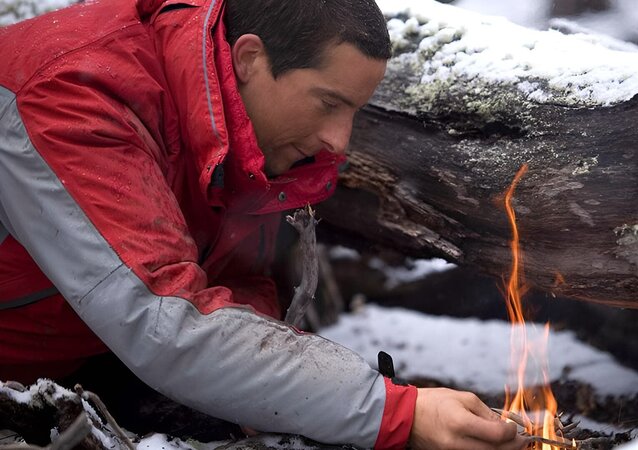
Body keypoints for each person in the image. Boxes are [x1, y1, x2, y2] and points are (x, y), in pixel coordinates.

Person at [0, 0, 526, 448]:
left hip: (78, 364)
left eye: (354, 112)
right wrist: (395, 413)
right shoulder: (72, 96)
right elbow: (164, 322)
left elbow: (241, 287)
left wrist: (273, 400)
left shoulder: (238, 129)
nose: (340, 141)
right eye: (329, 103)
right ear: (250, 57)